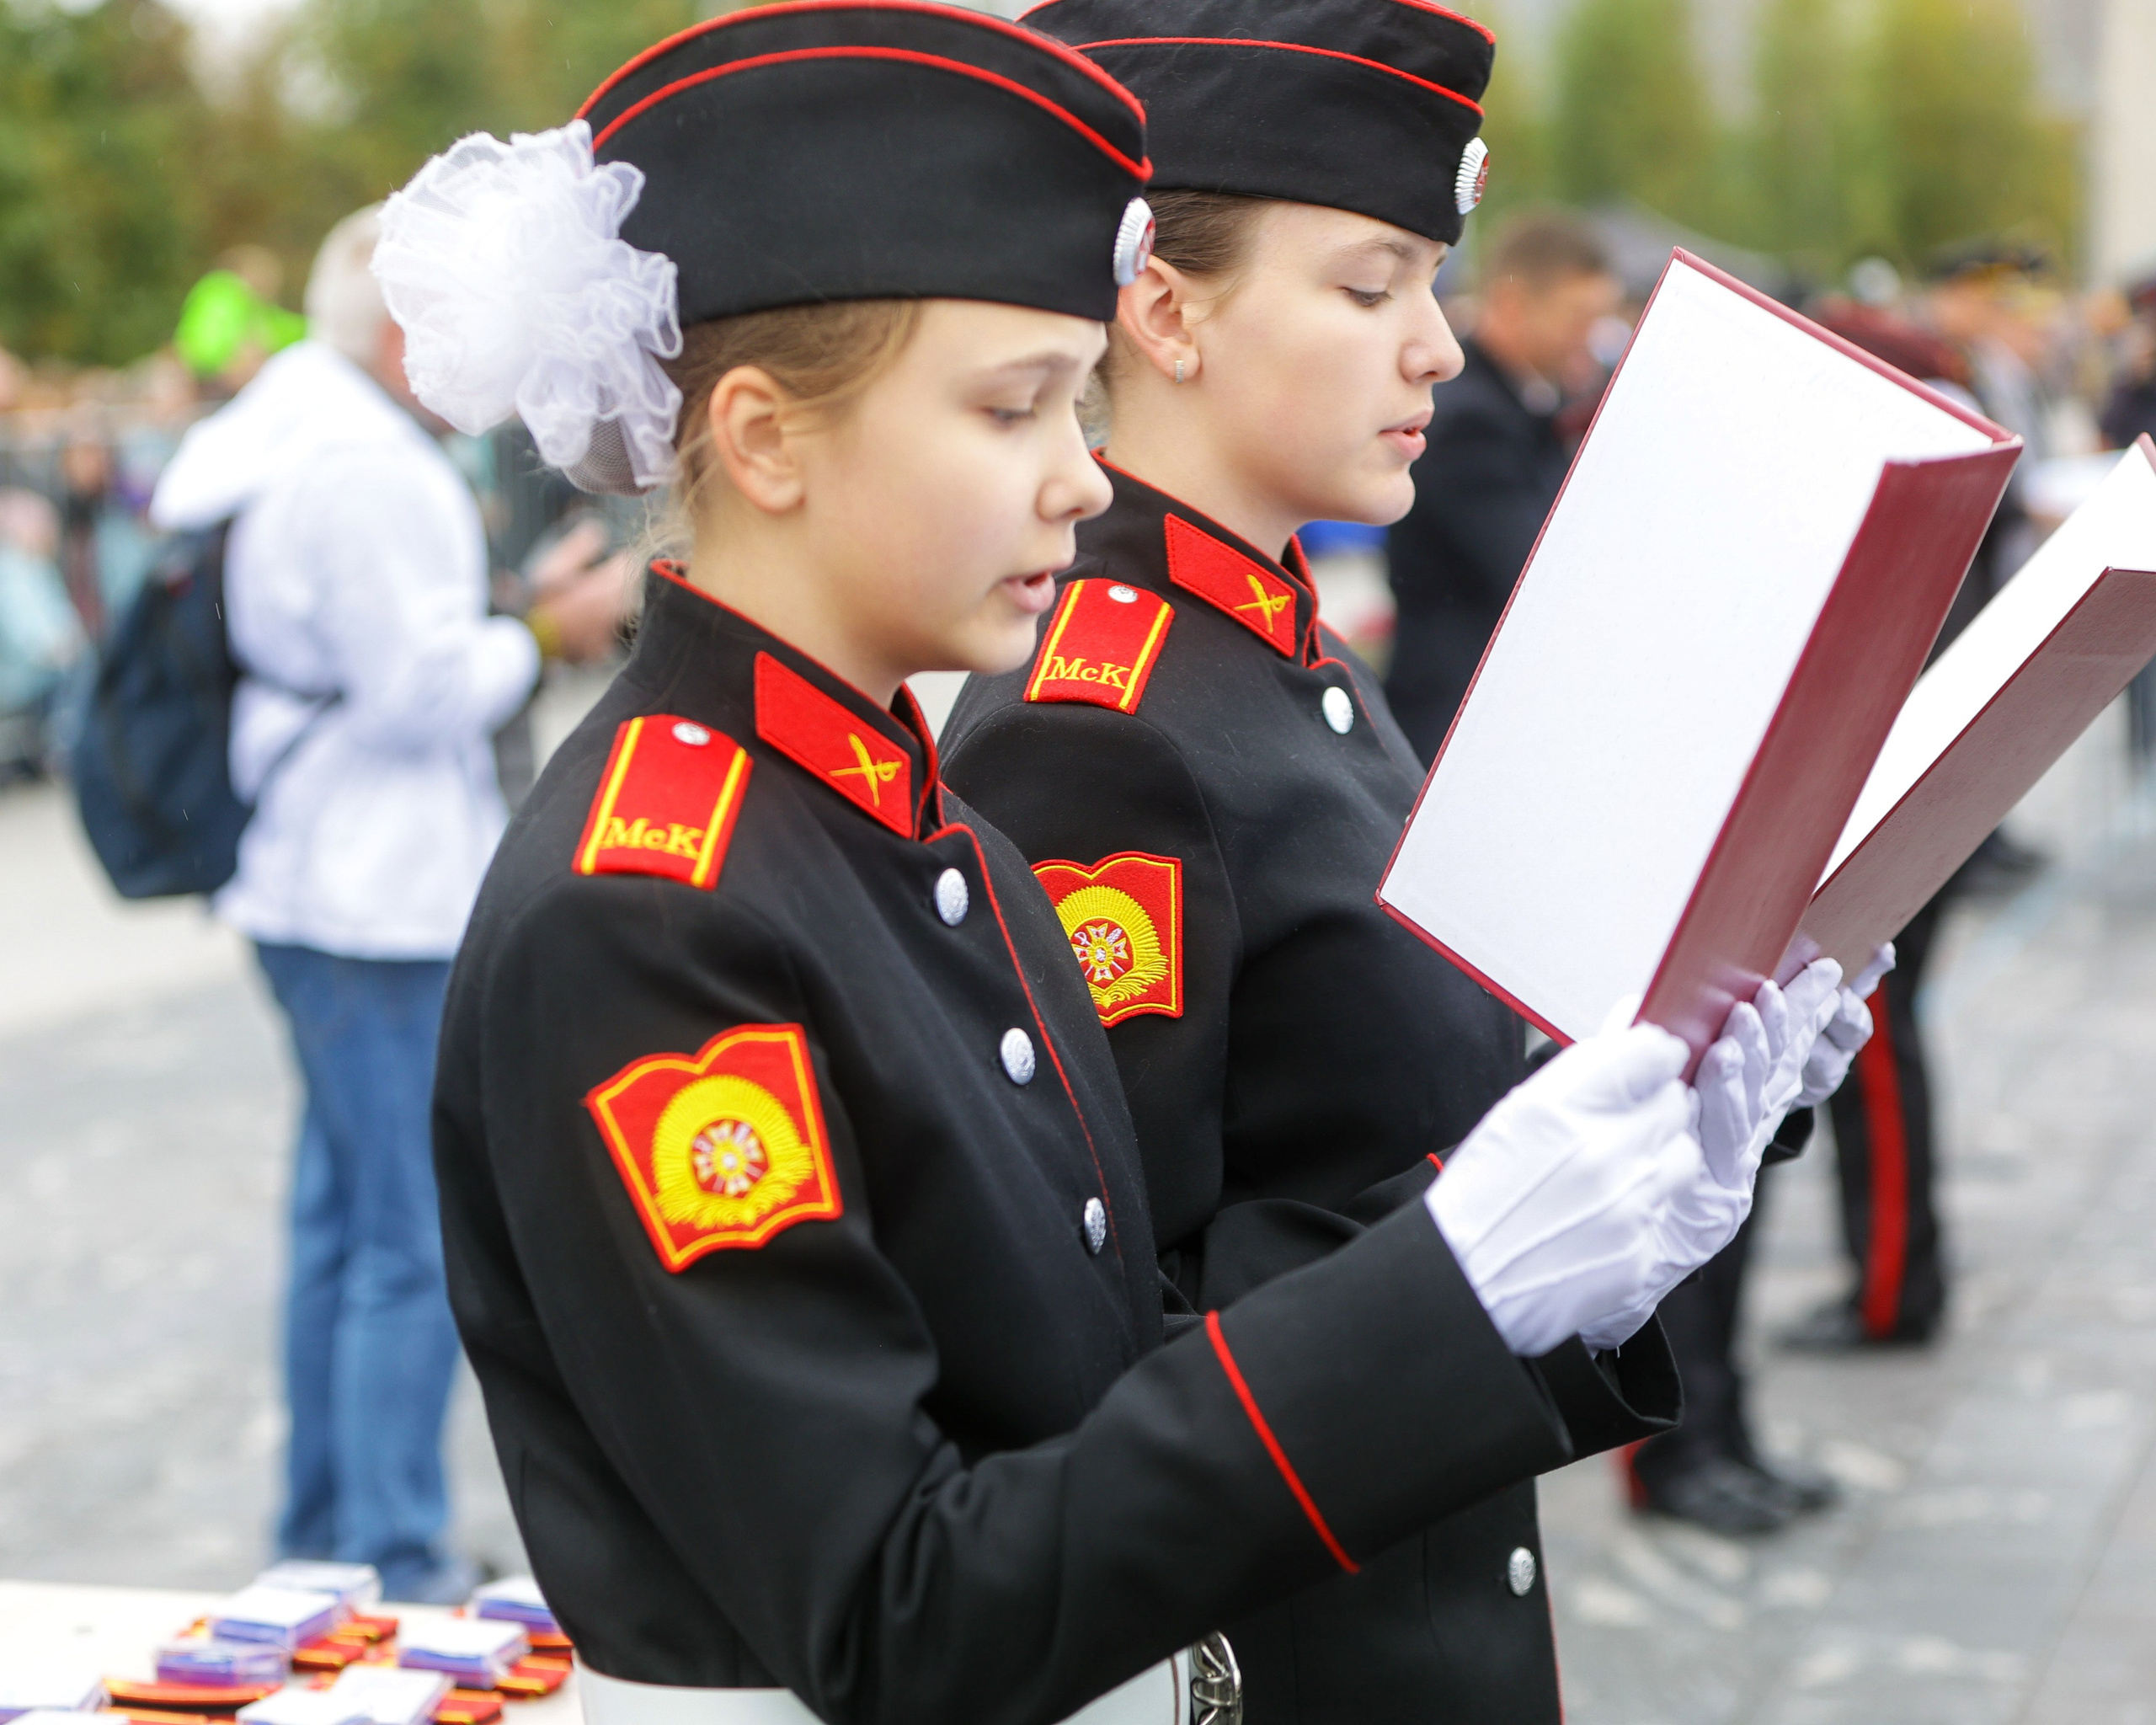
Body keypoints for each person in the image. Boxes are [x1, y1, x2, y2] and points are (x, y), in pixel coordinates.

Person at [404, 8, 1824, 1722]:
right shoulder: (646, 916)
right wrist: (1456, 1273)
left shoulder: (920, 832)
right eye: (1012, 409)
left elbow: (1097, 1378)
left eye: (1073, 399)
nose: (1085, 475)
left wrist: (1575, 1237)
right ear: (766, 442)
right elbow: (893, 1612)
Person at [937, 1, 1881, 1714]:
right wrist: (1493, 1238)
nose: (1434, 345)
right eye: (1371, 288)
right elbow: (1087, 1335)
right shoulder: (1097, 728)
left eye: (1430, 288)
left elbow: (1380, 1112)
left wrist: (1671, 1105)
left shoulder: (1278, 655)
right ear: (1161, 308)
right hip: (1285, 1650)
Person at [147, 209, 622, 1601]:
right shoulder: (368, 462)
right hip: (379, 891)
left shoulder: (283, 425)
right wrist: (545, 632)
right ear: (406, 327)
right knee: (407, 1239)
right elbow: (419, 693)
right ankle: (393, 1547)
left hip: (305, 876)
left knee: (338, 1219)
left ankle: (320, 1526)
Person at [1383, 208, 1620, 762]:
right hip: (1457, 722)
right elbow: (1542, 569)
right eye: (1579, 316)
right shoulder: (1471, 422)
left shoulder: (1518, 403)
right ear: (1514, 305)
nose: (1592, 337)